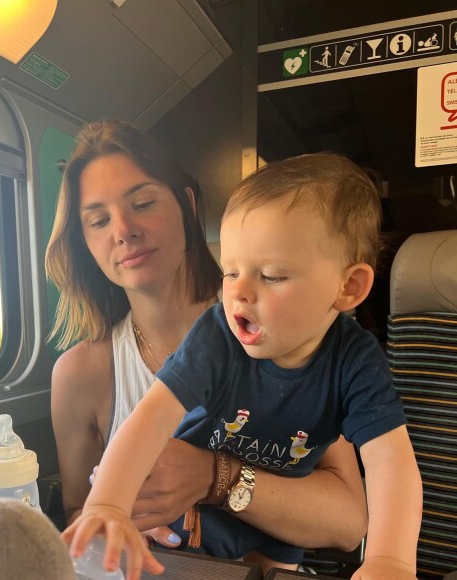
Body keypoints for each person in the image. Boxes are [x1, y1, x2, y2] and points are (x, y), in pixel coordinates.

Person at [62, 152, 423, 580]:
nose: (239, 294)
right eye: (230, 273)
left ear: (348, 287)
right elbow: (151, 416)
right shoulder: (218, 336)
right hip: (192, 518)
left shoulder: (355, 360)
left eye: (271, 275)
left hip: (279, 518)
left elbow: (389, 458)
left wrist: (391, 559)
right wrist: (108, 504)